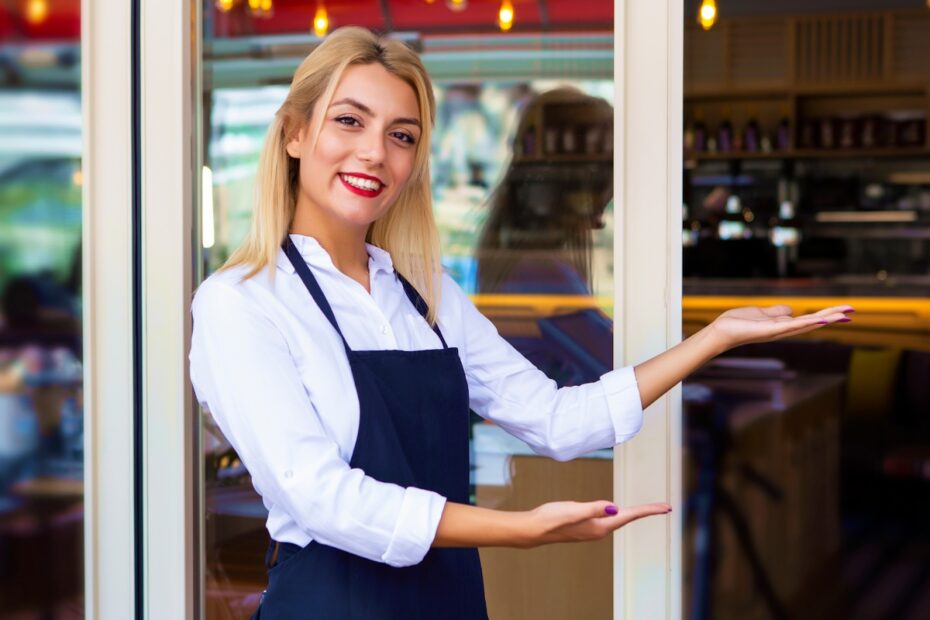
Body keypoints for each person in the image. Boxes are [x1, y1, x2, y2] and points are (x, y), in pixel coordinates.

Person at [188, 27, 852, 620]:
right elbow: (322, 499)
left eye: (401, 135)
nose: (374, 154)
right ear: (295, 133)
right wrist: (522, 529)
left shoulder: (427, 295)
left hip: (447, 601)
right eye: (349, 122)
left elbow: (558, 421)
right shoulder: (241, 303)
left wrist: (715, 338)